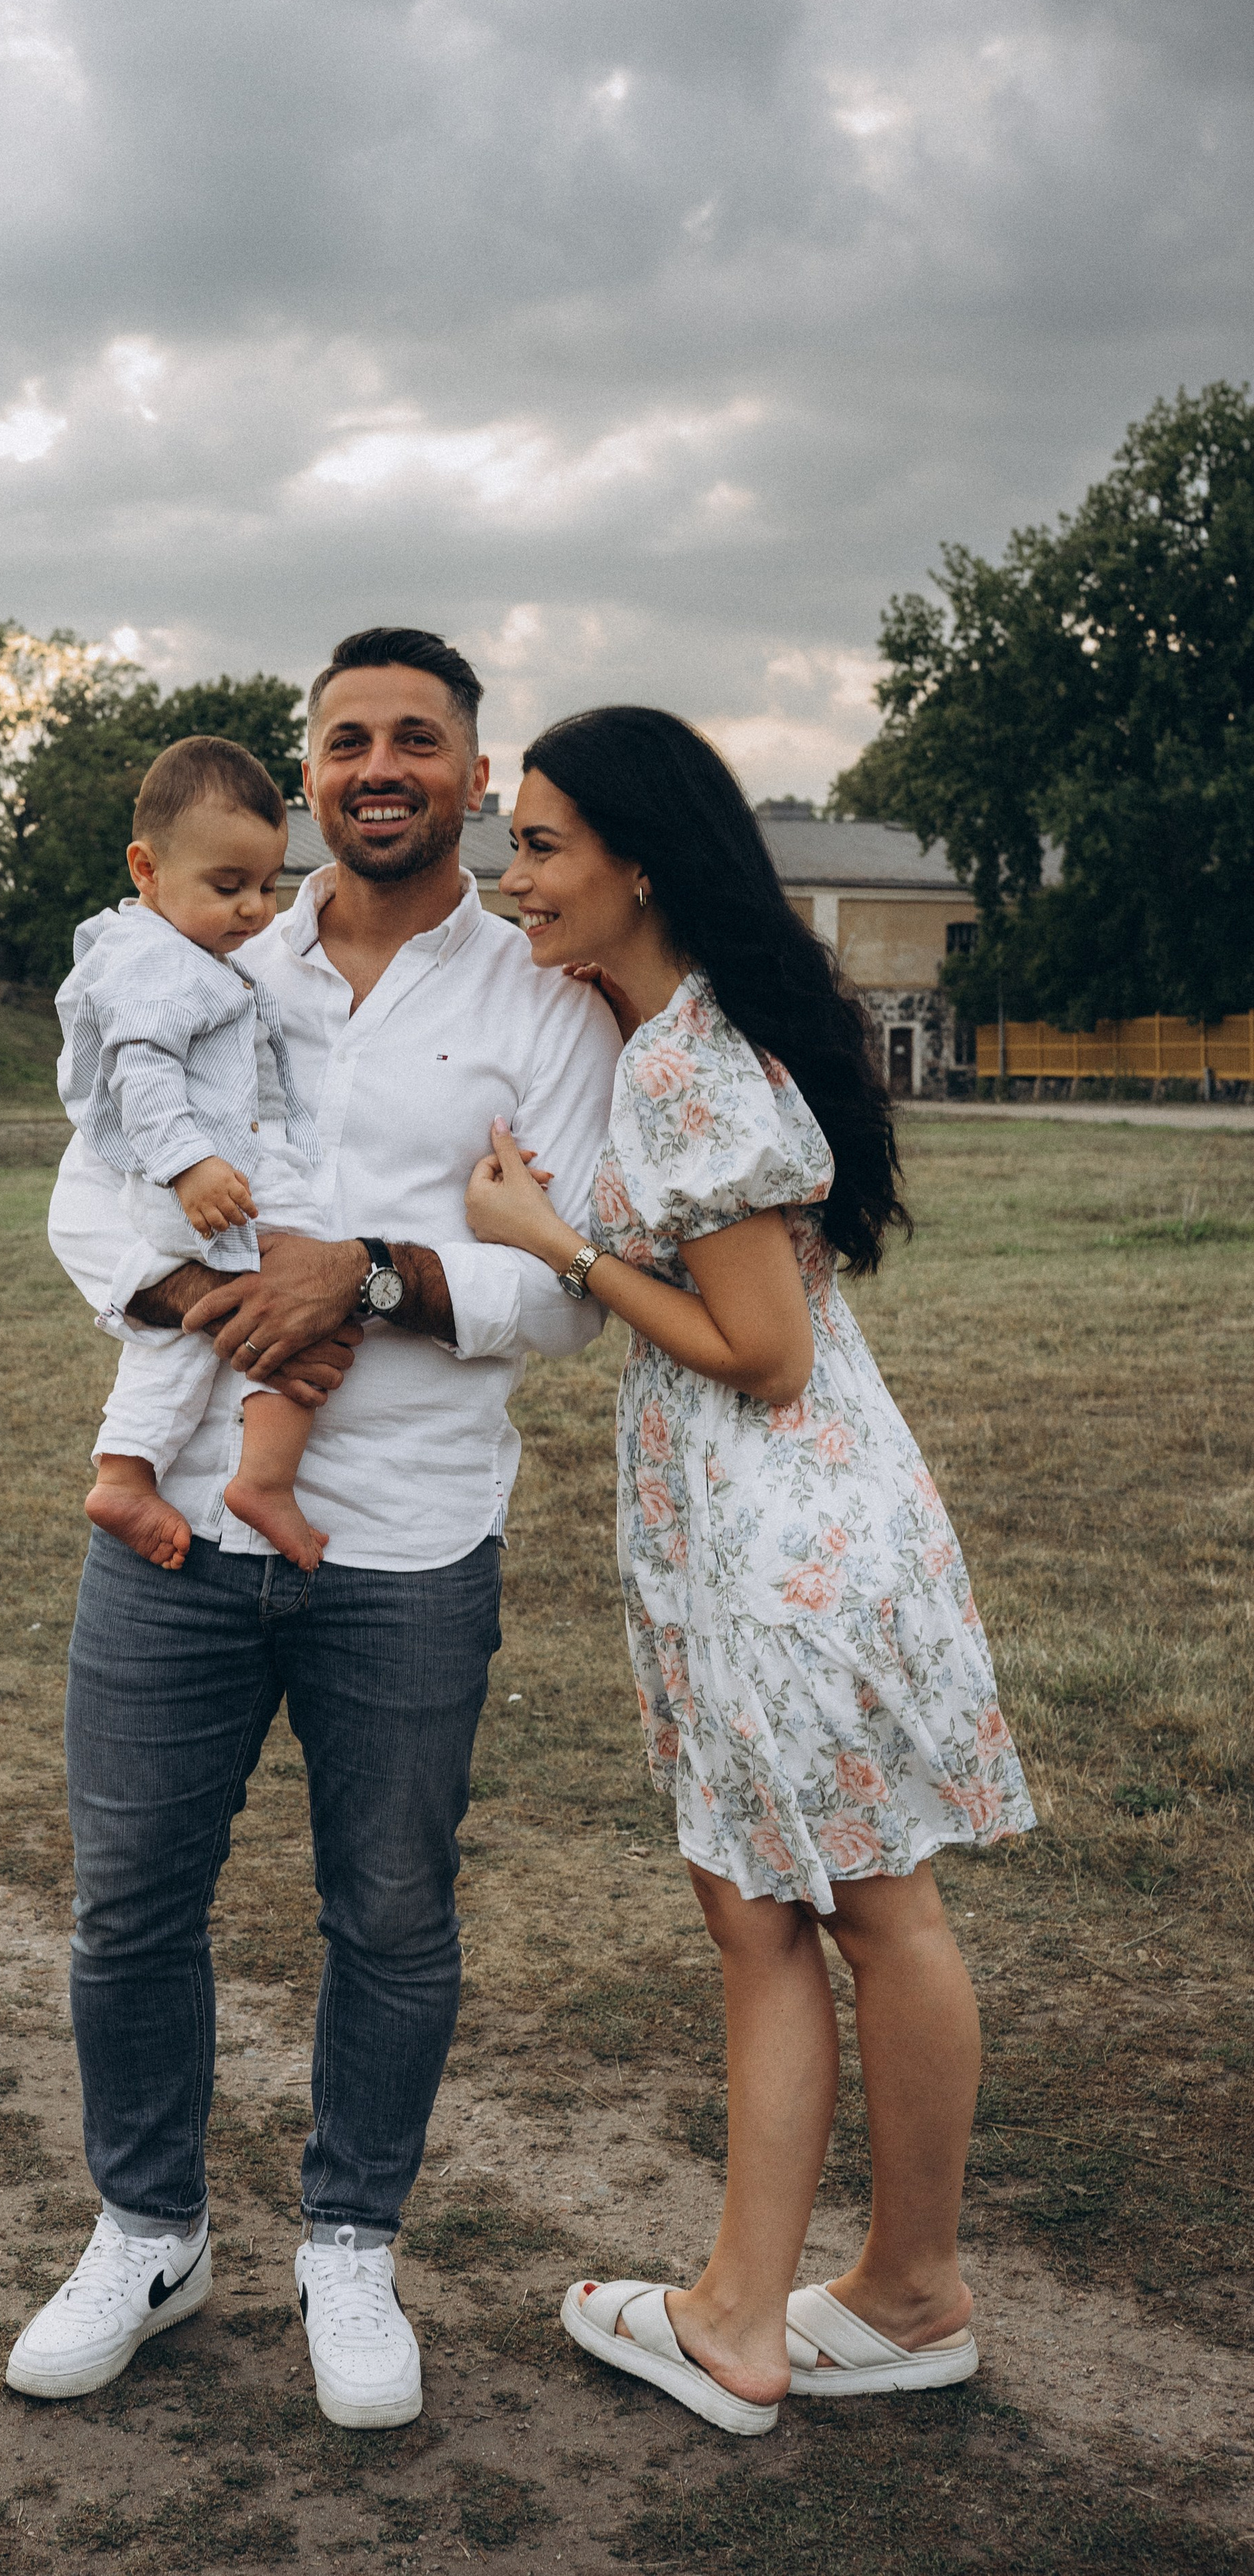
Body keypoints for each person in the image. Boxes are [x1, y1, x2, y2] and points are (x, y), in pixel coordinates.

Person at [5, 629, 622, 2430]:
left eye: (414, 738)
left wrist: (368, 1273)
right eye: (345, 735)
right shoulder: (201, 944)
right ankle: (148, 2227)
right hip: (176, 1524)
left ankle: (348, 2244)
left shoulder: (537, 1003)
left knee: (390, 1910)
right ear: (305, 764)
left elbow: (571, 1278)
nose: (377, 763)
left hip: (406, 1537)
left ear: (472, 775)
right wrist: (217, 1304)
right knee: (128, 1904)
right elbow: (82, 1190)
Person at [464, 705, 1034, 2439]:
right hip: (785, 1524)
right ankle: (834, 2294)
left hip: (784, 1526)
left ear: (641, 858)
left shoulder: (689, 1068)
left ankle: (833, 2296)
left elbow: (760, 1348)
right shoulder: (678, 1022)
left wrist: (548, 1239)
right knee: (797, 1905)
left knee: (856, 1905)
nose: (515, 878)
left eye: (543, 844)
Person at [55, 733, 335, 1574]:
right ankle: (264, 1480)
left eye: (266, 885)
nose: (255, 910)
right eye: (228, 886)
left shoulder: (184, 952)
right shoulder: (155, 962)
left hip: (198, 1180)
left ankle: (126, 1471)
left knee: (183, 1338)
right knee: (306, 1298)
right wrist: (190, 1164)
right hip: (197, 1182)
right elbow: (137, 1068)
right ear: (146, 869)